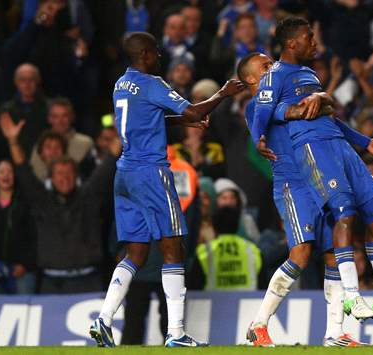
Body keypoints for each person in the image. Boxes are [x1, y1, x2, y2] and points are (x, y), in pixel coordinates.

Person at [250, 17, 373, 329]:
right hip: (303, 170)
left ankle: (368, 307)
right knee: (306, 249)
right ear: (291, 43)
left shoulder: (307, 74)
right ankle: (262, 323)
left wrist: (365, 141)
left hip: (339, 147)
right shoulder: (272, 80)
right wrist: (263, 133)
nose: (315, 43)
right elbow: (261, 113)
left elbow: (329, 117)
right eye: (309, 38)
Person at [90, 32, 244, 348]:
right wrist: (223, 93)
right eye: (156, 52)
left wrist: (180, 123)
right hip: (151, 172)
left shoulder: (122, 83)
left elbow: (147, 119)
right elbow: (196, 112)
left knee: (135, 251)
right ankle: (175, 333)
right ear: (145, 54)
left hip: (125, 173)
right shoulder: (153, 83)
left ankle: (104, 319)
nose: (160, 56)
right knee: (173, 247)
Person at [0, 114, 118, 295]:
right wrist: (13, 141)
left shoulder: (89, 195)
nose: (65, 178)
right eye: (59, 174)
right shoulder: (41, 200)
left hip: (89, 283)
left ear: (77, 176)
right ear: (51, 178)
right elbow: (23, 170)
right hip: (50, 285)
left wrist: (121, 129)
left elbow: (109, 162)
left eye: (69, 174)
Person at [0, 160, 36, 294]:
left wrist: (25, 264)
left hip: (22, 271)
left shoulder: (26, 202)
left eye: (9, 172)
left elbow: (35, 236)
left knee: (24, 311)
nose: (6, 176)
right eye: (1, 172)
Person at [193, 206, 262, 290]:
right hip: (248, 302)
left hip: (215, 302)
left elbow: (193, 287)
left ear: (215, 226)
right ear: (237, 225)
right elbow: (264, 286)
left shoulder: (204, 252)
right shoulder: (253, 250)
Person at [29, 98, 93, 181]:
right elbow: (34, 176)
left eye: (65, 116)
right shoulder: (39, 145)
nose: (60, 121)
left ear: (72, 117)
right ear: (49, 118)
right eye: (55, 116)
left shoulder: (86, 143)